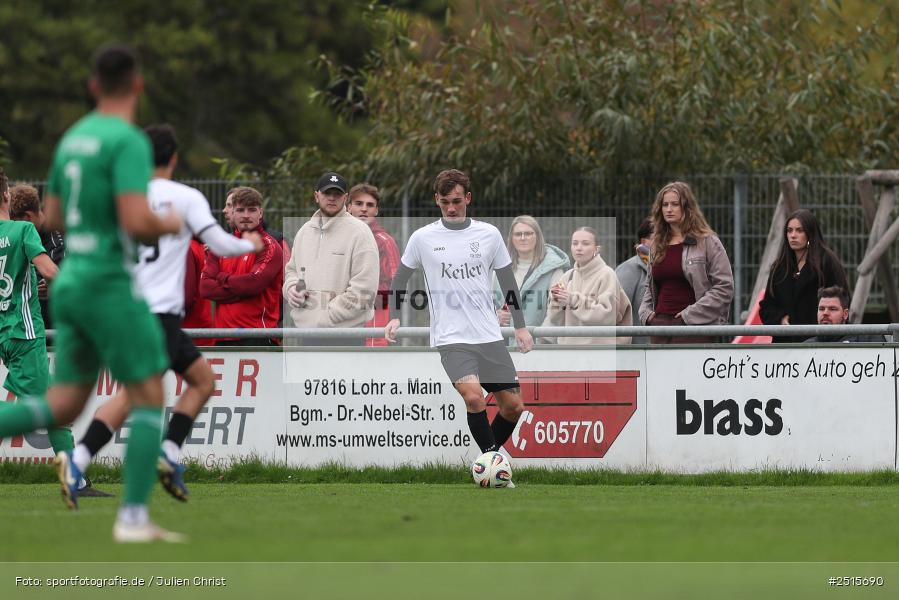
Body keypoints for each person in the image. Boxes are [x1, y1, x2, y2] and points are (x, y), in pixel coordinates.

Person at [0, 44, 184, 542]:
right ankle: (132, 520)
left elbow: (53, 215)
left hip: (72, 282)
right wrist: (167, 222)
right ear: (138, 85)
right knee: (149, 393)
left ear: (93, 86)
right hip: (106, 280)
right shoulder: (126, 141)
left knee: (63, 404)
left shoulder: (72, 139)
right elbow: (136, 221)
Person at [67, 124, 263, 504]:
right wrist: (249, 244)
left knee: (201, 380)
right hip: (158, 315)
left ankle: (167, 453)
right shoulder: (185, 197)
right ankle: (82, 459)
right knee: (140, 395)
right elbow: (220, 243)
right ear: (173, 158)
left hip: (130, 310)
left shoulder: (121, 198)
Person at [385, 169, 533, 481]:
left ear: (467, 198)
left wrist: (520, 326)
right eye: (444, 202)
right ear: (436, 201)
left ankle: (486, 463)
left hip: (489, 336)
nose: (451, 208)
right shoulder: (423, 238)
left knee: (514, 407)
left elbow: (508, 283)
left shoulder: (489, 235)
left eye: (456, 201)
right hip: (451, 338)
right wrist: (394, 315)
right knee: (474, 397)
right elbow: (399, 279)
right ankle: (494, 467)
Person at [283, 172, 379, 346]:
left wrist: (325, 317)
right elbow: (291, 270)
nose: (332, 198)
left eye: (337, 194)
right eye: (327, 193)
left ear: (345, 198)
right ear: (316, 196)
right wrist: (291, 289)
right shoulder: (304, 231)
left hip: (346, 335)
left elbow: (364, 290)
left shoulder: (360, 232)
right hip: (306, 334)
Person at [639, 181, 734, 344]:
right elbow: (649, 285)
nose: (669, 209)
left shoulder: (708, 241)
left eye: (675, 204)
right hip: (659, 326)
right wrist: (647, 315)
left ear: (687, 207)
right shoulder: (657, 243)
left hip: (694, 328)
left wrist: (688, 315)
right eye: (665, 204)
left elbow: (724, 287)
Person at [201, 186, 283, 346]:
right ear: (232, 213)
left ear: (260, 213)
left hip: (257, 335)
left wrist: (221, 277)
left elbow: (252, 285)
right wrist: (242, 289)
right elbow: (205, 288)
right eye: (240, 210)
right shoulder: (221, 244)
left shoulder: (269, 246)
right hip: (222, 336)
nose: (246, 215)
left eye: (252, 210)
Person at [759, 209, 849, 343]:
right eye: (789, 230)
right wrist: (780, 319)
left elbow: (842, 299)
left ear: (810, 234)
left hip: (821, 341)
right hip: (786, 344)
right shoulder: (780, 267)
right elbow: (767, 305)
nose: (793, 235)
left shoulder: (827, 262)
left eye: (799, 231)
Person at [542, 227, 632, 345]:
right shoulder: (567, 276)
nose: (579, 248)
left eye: (585, 244)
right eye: (575, 243)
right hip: (569, 352)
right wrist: (556, 301)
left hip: (598, 352)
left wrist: (572, 300)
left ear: (597, 249)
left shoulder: (607, 274)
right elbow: (554, 319)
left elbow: (607, 316)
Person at [494, 215, 569, 346]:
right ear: (511, 238)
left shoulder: (554, 270)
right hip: (502, 347)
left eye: (528, 233)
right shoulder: (497, 269)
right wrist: (495, 316)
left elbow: (556, 311)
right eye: (518, 234)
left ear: (537, 237)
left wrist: (541, 340)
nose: (523, 238)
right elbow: (486, 304)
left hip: (538, 348)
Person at [346, 183, 401, 347]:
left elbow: (396, 284)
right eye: (358, 204)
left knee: (372, 366)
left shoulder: (385, 242)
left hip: (375, 315)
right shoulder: (341, 239)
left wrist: (394, 318)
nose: (364, 209)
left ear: (376, 210)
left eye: (370, 205)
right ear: (348, 207)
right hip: (345, 314)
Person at [9, 184, 65, 332]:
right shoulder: (19, 236)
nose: (12, 227)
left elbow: (52, 276)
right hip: (26, 325)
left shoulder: (56, 239)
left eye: (14, 222)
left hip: (52, 326)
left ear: (27, 216)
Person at [615, 218, 652, 344]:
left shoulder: (669, 268)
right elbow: (616, 314)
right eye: (661, 236)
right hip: (637, 352)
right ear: (644, 241)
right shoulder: (628, 270)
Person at [804, 286, 886, 343]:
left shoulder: (868, 340)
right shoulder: (805, 348)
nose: (825, 313)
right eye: (821, 309)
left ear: (845, 314)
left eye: (832, 309)